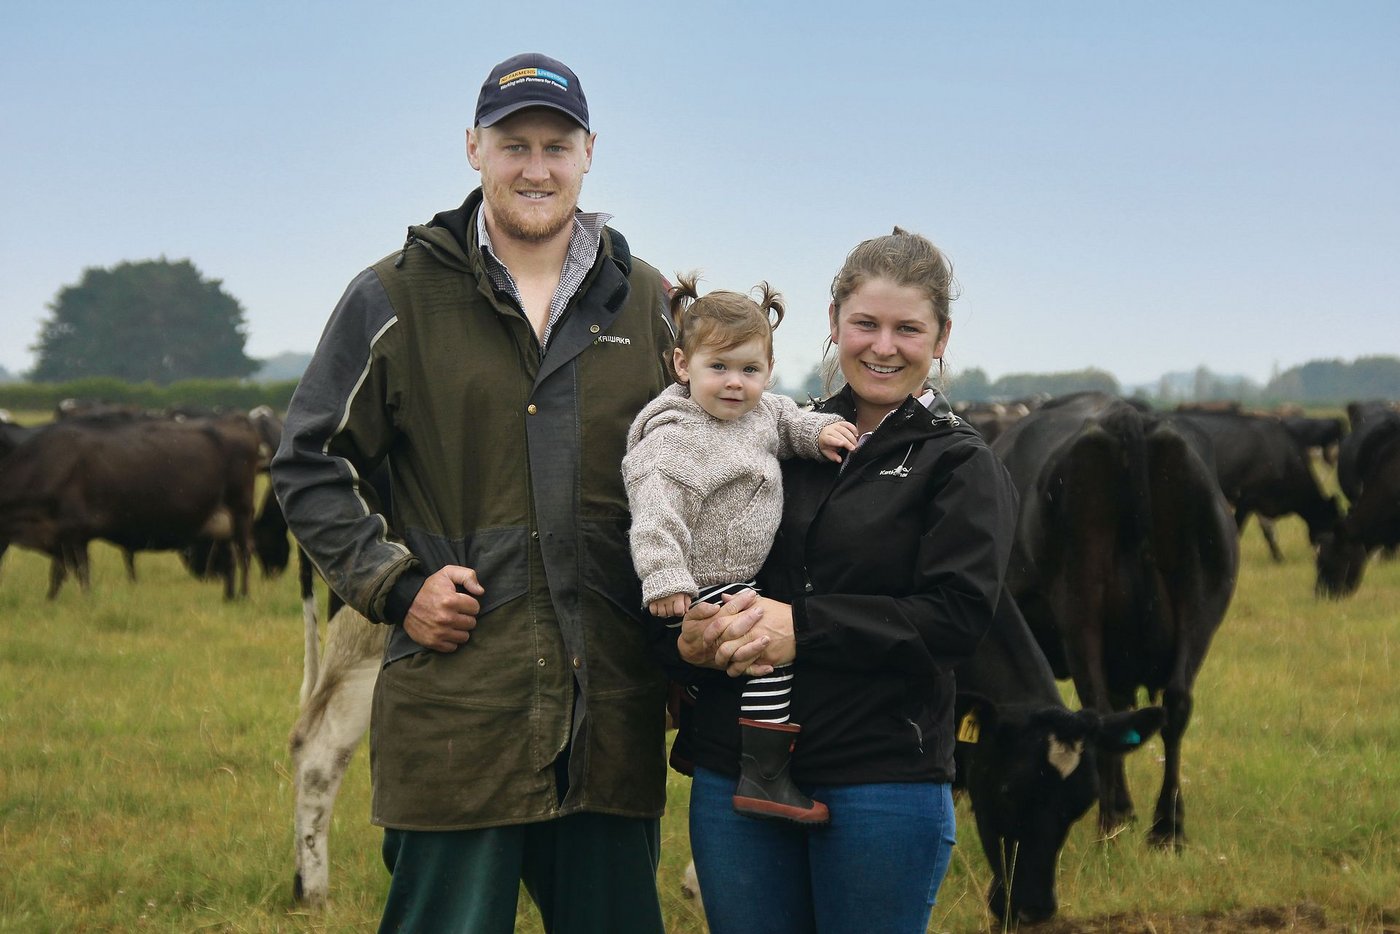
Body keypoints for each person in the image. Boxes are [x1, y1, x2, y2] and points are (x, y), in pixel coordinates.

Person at [271, 52, 675, 934]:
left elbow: (705, 462)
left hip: (608, 719)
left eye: (556, 146)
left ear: (590, 153)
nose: (536, 167)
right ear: (473, 149)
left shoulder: (645, 301)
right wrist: (397, 586)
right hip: (458, 718)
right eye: (513, 144)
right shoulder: (395, 297)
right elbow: (309, 461)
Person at [667, 228, 1020, 934]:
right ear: (833, 323)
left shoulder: (958, 464)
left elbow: (956, 618)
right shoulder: (768, 434)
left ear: (941, 338)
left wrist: (801, 629)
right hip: (736, 771)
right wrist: (686, 641)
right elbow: (686, 552)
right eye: (865, 323)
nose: (883, 346)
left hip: (879, 779)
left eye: (907, 328)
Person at [621, 274, 857, 825]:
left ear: (768, 371)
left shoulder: (762, 412)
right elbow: (654, 513)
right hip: (701, 577)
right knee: (765, 654)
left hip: (743, 575)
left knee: (755, 653)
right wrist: (665, 577)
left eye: (750, 370)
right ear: (683, 366)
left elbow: (790, 423)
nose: (735, 383)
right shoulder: (674, 437)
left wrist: (820, 433)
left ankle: (724, 750)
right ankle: (763, 774)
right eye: (719, 368)